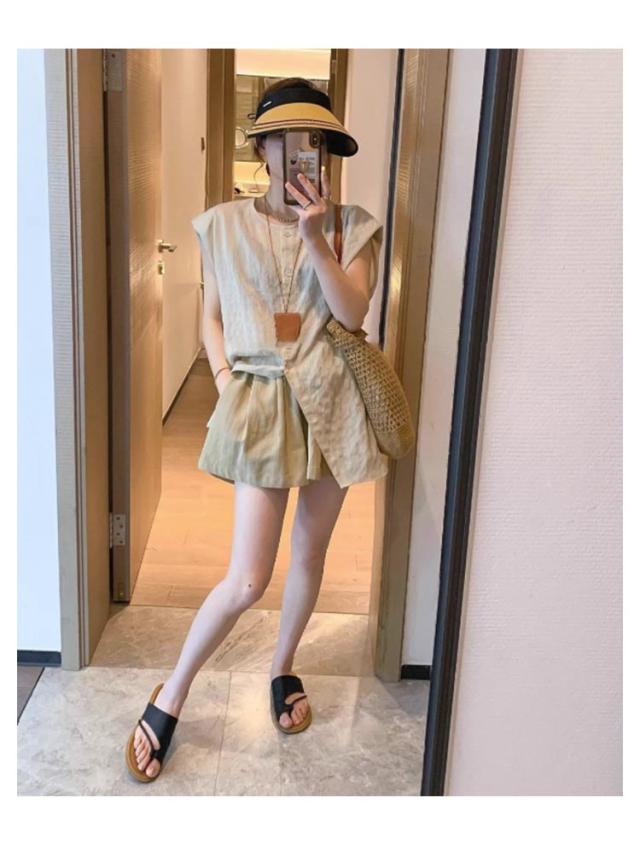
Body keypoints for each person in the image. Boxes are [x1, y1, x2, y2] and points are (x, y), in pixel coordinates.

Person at [125, 77, 388, 783]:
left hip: (332, 403)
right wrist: (223, 380)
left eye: (316, 142)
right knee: (246, 578)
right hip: (262, 403)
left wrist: (315, 237)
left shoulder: (352, 224)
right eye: (289, 141)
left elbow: (352, 314)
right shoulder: (219, 225)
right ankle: (173, 691)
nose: (303, 153)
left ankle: (282, 667)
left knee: (309, 555)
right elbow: (211, 315)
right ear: (264, 148)